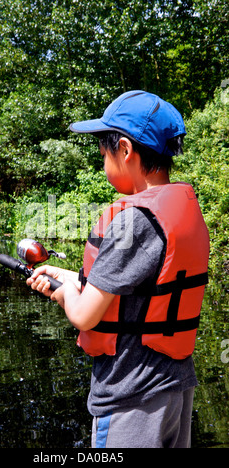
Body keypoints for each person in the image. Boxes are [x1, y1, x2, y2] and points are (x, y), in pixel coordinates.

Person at [27, 90, 210, 448]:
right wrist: (66, 276)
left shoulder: (133, 223)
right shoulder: (179, 209)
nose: (103, 164)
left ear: (125, 150)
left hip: (132, 397)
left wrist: (63, 292)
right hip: (175, 390)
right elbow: (131, 290)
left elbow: (84, 316)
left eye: (104, 155)